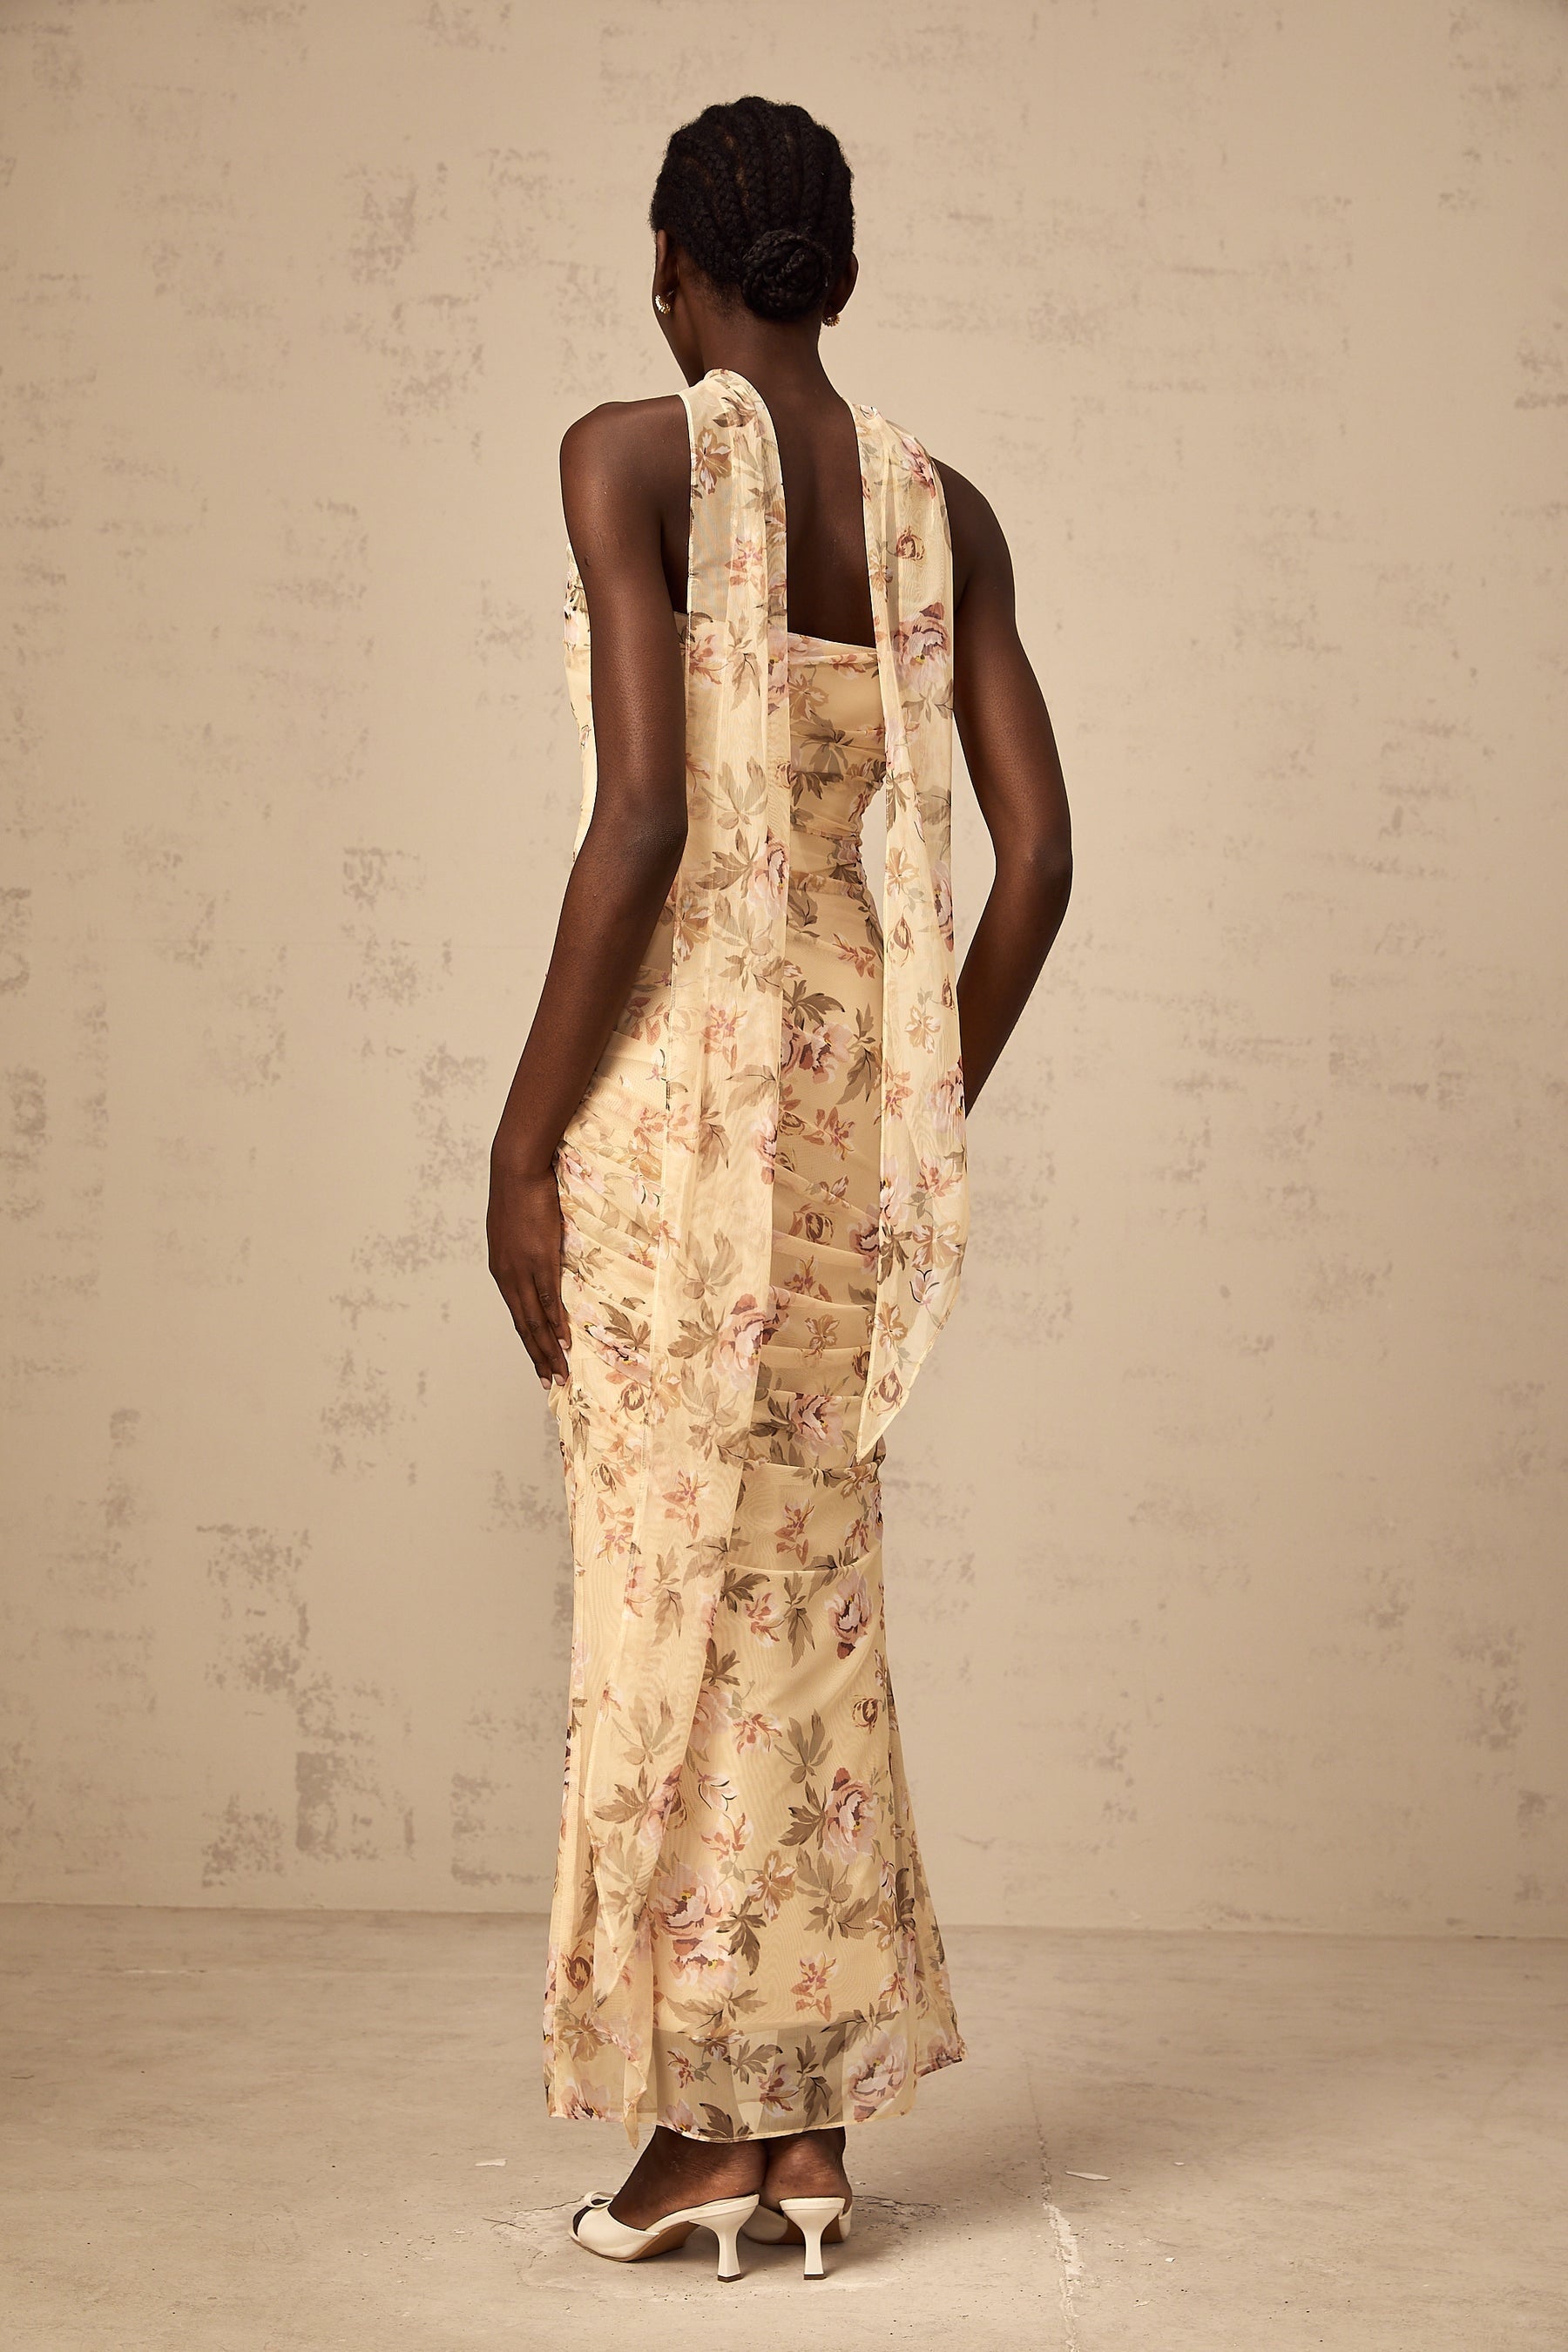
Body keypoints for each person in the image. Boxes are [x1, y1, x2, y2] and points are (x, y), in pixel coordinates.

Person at [487, 94, 1071, 2281]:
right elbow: (1044, 858)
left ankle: (692, 2140)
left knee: (672, 1599)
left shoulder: (631, 455)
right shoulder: (945, 513)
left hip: (667, 1109)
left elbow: (642, 819)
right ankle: (798, 2131)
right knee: (804, 1603)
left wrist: (523, 1139)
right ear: (837, 259)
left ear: (679, 260)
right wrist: (913, 1095)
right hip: (840, 1131)